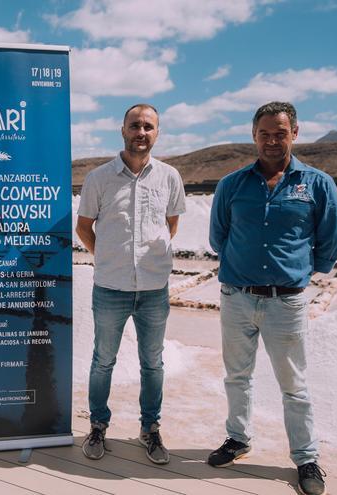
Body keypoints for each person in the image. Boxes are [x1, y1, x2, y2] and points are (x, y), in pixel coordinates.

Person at [207, 101, 337, 495]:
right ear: (254, 136)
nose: (272, 141)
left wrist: (296, 272)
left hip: (286, 302)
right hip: (237, 297)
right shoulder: (232, 184)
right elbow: (219, 237)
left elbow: (332, 242)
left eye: (280, 133)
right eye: (265, 133)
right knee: (237, 376)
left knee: (294, 386)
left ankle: (305, 458)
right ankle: (238, 439)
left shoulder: (317, 183)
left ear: (295, 133)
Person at [75, 103, 186, 464]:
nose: (142, 132)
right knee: (103, 360)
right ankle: (97, 426)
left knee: (153, 363)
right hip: (110, 287)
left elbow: (171, 225)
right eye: (135, 126)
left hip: (154, 289)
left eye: (148, 127)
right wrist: (107, 256)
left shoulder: (169, 177)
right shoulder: (99, 178)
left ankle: (150, 429)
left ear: (157, 132)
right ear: (122, 130)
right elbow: (84, 226)